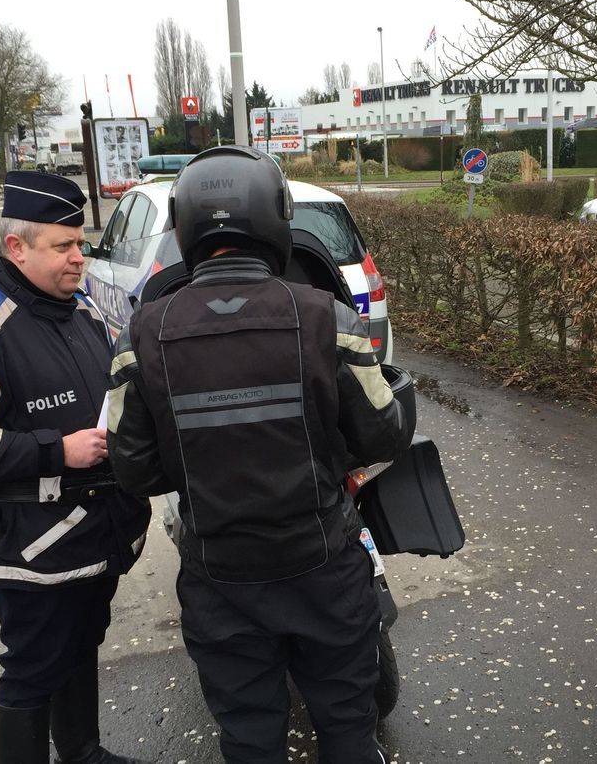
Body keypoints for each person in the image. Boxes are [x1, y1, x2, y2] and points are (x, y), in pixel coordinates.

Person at [105, 145, 410, 763]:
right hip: (323, 567)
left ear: (186, 227)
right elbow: (382, 434)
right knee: (349, 729)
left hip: (220, 578)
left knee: (248, 737)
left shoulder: (143, 334)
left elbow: (131, 465)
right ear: (276, 218)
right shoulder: (329, 318)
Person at [0, 171, 151, 764]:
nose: (79, 259)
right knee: (32, 670)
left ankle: (82, 751)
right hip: (34, 546)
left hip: (101, 533)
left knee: (82, 645)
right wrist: (56, 450)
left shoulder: (84, 308)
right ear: (16, 247)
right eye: (63, 247)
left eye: (80, 244)